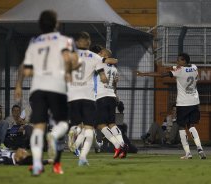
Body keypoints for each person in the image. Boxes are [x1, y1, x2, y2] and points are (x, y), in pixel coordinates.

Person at [14, 10, 79, 175]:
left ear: (40, 25)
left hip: (37, 88)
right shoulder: (64, 40)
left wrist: (19, 86)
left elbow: (25, 68)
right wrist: (70, 70)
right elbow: (70, 59)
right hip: (56, 85)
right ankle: (54, 136)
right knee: (63, 123)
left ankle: (37, 165)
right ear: (56, 23)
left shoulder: (34, 42)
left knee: (38, 127)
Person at [137, 53, 206, 159]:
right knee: (192, 126)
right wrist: (175, 67)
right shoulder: (194, 67)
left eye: (179, 60)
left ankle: (188, 153)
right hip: (194, 102)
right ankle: (200, 148)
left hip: (183, 104)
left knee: (182, 127)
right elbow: (183, 67)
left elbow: (161, 75)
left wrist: (144, 74)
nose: (177, 62)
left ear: (184, 61)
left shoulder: (179, 71)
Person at [67, 32, 117, 166]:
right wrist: (104, 74)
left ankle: (73, 141)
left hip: (73, 95)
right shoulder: (94, 57)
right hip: (89, 96)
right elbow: (104, 72)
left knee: (79, 126)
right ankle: (82, 156)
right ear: (88, 43)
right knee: (89, 128)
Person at [93, 46, 128, 159]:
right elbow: (115, 83)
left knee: (101, 124)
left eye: (101, 53)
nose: (99, 54)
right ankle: (123, 144)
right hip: (111, 96)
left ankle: (118, 145)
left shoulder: (99, 63)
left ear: (105, 55)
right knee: (112, 123)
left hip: (101, 96)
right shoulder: (114, 68)